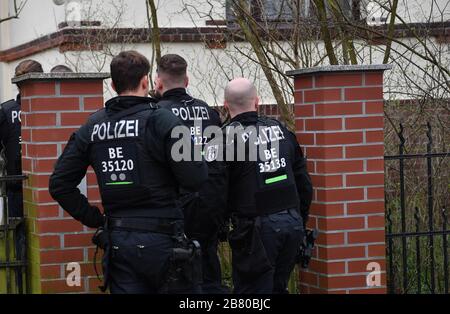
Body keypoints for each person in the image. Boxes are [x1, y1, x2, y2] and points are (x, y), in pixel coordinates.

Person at [49, 50, 208, 294]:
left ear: (112, 85)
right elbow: (196, 178)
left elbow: (60, 184)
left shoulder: (93, 127)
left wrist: (96, 219)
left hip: (120, 243)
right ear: (146, 81)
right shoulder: (164, 121)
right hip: (164, 242)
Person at [219, 78, 312, 294]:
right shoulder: (280, 130)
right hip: (291, 223)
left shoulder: (224, 139)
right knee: (278, 288)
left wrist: (218, 228)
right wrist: (300, 218)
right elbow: (304, 183)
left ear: (225, 105)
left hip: (256, 232)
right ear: (257, 101)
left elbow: (216, 192)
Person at [153, 54, 228, 294]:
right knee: (208, 264)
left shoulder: (156, 114)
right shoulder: (208, 112)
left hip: (176, 205)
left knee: (178, 273)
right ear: (187, 80)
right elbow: (219, 162)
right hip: (211, 202)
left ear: (158, 82)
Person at [0, 59, 43, 291]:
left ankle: (20, 283)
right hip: (21, 187)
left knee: (18, 243)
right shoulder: (7, 111)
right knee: (21, 242)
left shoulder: (6, 110)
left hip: (17, 186)